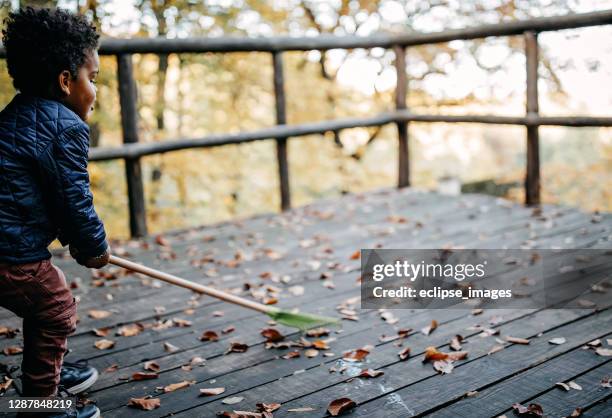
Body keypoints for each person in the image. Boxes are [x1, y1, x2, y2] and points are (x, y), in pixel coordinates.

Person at [0, 7, 111, 418]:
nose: (95, 91)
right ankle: (41, 406)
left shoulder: (14, 118)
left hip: (9, 242)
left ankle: (46, 372)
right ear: (66, 81)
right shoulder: (65, 126)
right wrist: (94, 247)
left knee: (44, 300)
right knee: (54, 307)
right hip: (9, 251)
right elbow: (74, 201)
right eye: (92, 78)